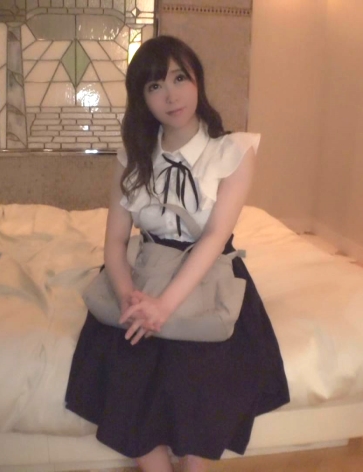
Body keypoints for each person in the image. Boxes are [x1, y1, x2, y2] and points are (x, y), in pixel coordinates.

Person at [65, 35, 290, 472]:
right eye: (155, 86)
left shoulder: (233, 151)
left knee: (198, 367)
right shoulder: (132, 157)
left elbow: (214, 237)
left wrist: (163, 308)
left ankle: (194, 463)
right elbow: (115, 242)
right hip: (146, 272)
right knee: (128, 362)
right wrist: (131, 300)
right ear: (142, 98)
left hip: (208, 272)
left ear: (197, 81)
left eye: (179, 78)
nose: (171, 95)